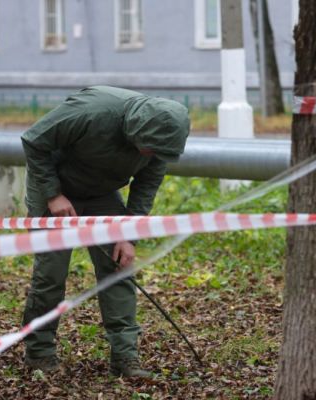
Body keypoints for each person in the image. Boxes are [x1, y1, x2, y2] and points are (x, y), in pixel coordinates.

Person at [20, 85, 190, 377]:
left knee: (119, 268)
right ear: (138, 131)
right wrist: (53, 194)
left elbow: (145, 187)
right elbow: (34, 140)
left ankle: (125, 357)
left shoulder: (162, 142)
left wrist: (128, 236)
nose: (153, 155)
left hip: (103, 194)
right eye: (151, 148)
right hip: (56, 188)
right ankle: (39, 352)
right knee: (51, 274)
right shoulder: (91, 111)